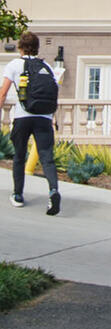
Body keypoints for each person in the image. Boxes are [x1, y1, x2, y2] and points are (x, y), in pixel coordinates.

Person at [1, 31, 61, 215]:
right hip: (44, 118)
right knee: (47, 157)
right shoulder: (46, 66)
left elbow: (3, 92)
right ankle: (53, 191)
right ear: (37, 48)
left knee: (19, 156)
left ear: (19, 47)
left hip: (23, 116)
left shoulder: (14, 65)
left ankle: (18, 195)